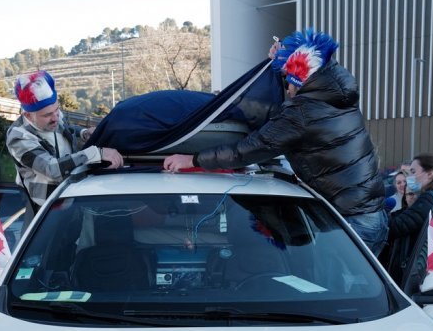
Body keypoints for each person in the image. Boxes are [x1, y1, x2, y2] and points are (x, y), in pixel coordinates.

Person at [162, 29, 387, 256]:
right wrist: (281, 59)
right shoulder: (337, 96)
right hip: (370, 216)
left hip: (353, 223)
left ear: (302, 81)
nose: (288, 89)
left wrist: (192, 159)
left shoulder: (303, 113)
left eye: (290, 81)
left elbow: (250, 149)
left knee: (343, 291)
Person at [6, 70, 124, 206]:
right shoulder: (18, 138)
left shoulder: (54, 115)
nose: (56, 117)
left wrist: (83, 132)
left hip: (75, 193)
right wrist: (97, 153)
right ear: (28, 116)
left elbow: (65, 127)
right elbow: (51, 169)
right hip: (48, 206)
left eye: (57, 109)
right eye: (47, 115)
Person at [384, 153, 433, 285]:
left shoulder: (429, 198)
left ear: (430, 174)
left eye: (413, 172)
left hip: (419, 272)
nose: (409, 178)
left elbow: (396, 227)